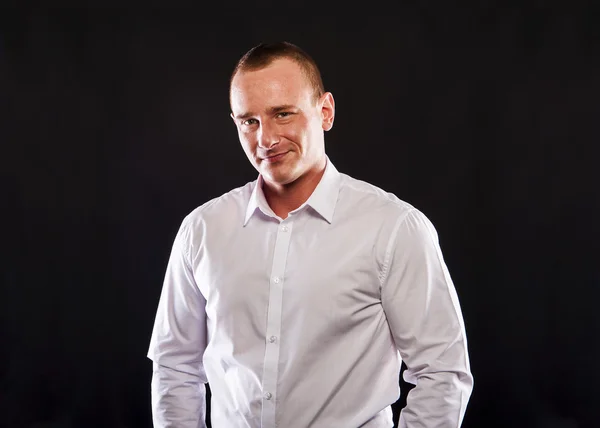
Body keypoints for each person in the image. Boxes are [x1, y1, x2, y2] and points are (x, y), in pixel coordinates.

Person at [147, 41, 474, 428]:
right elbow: (175, 367)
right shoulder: (202, 230)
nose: (265, 139)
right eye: (248, 121)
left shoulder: (394, 228)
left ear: (326, 112)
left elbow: (442, 371)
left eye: (282, 114)